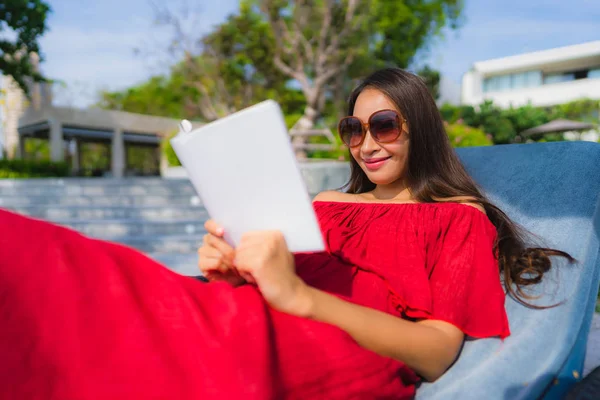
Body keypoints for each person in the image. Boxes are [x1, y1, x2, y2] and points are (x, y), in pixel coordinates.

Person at [0, 68, 571, 400]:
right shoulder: (324, 204)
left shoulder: (456, 217)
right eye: (353, 128)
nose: (366, 143)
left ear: (417, 128)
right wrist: (233, 267)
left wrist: (299, 298)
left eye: (384, 126)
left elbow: (440, 352)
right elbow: (272, 279)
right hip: (240, 311)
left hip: (331, 345)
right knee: (71, 275)